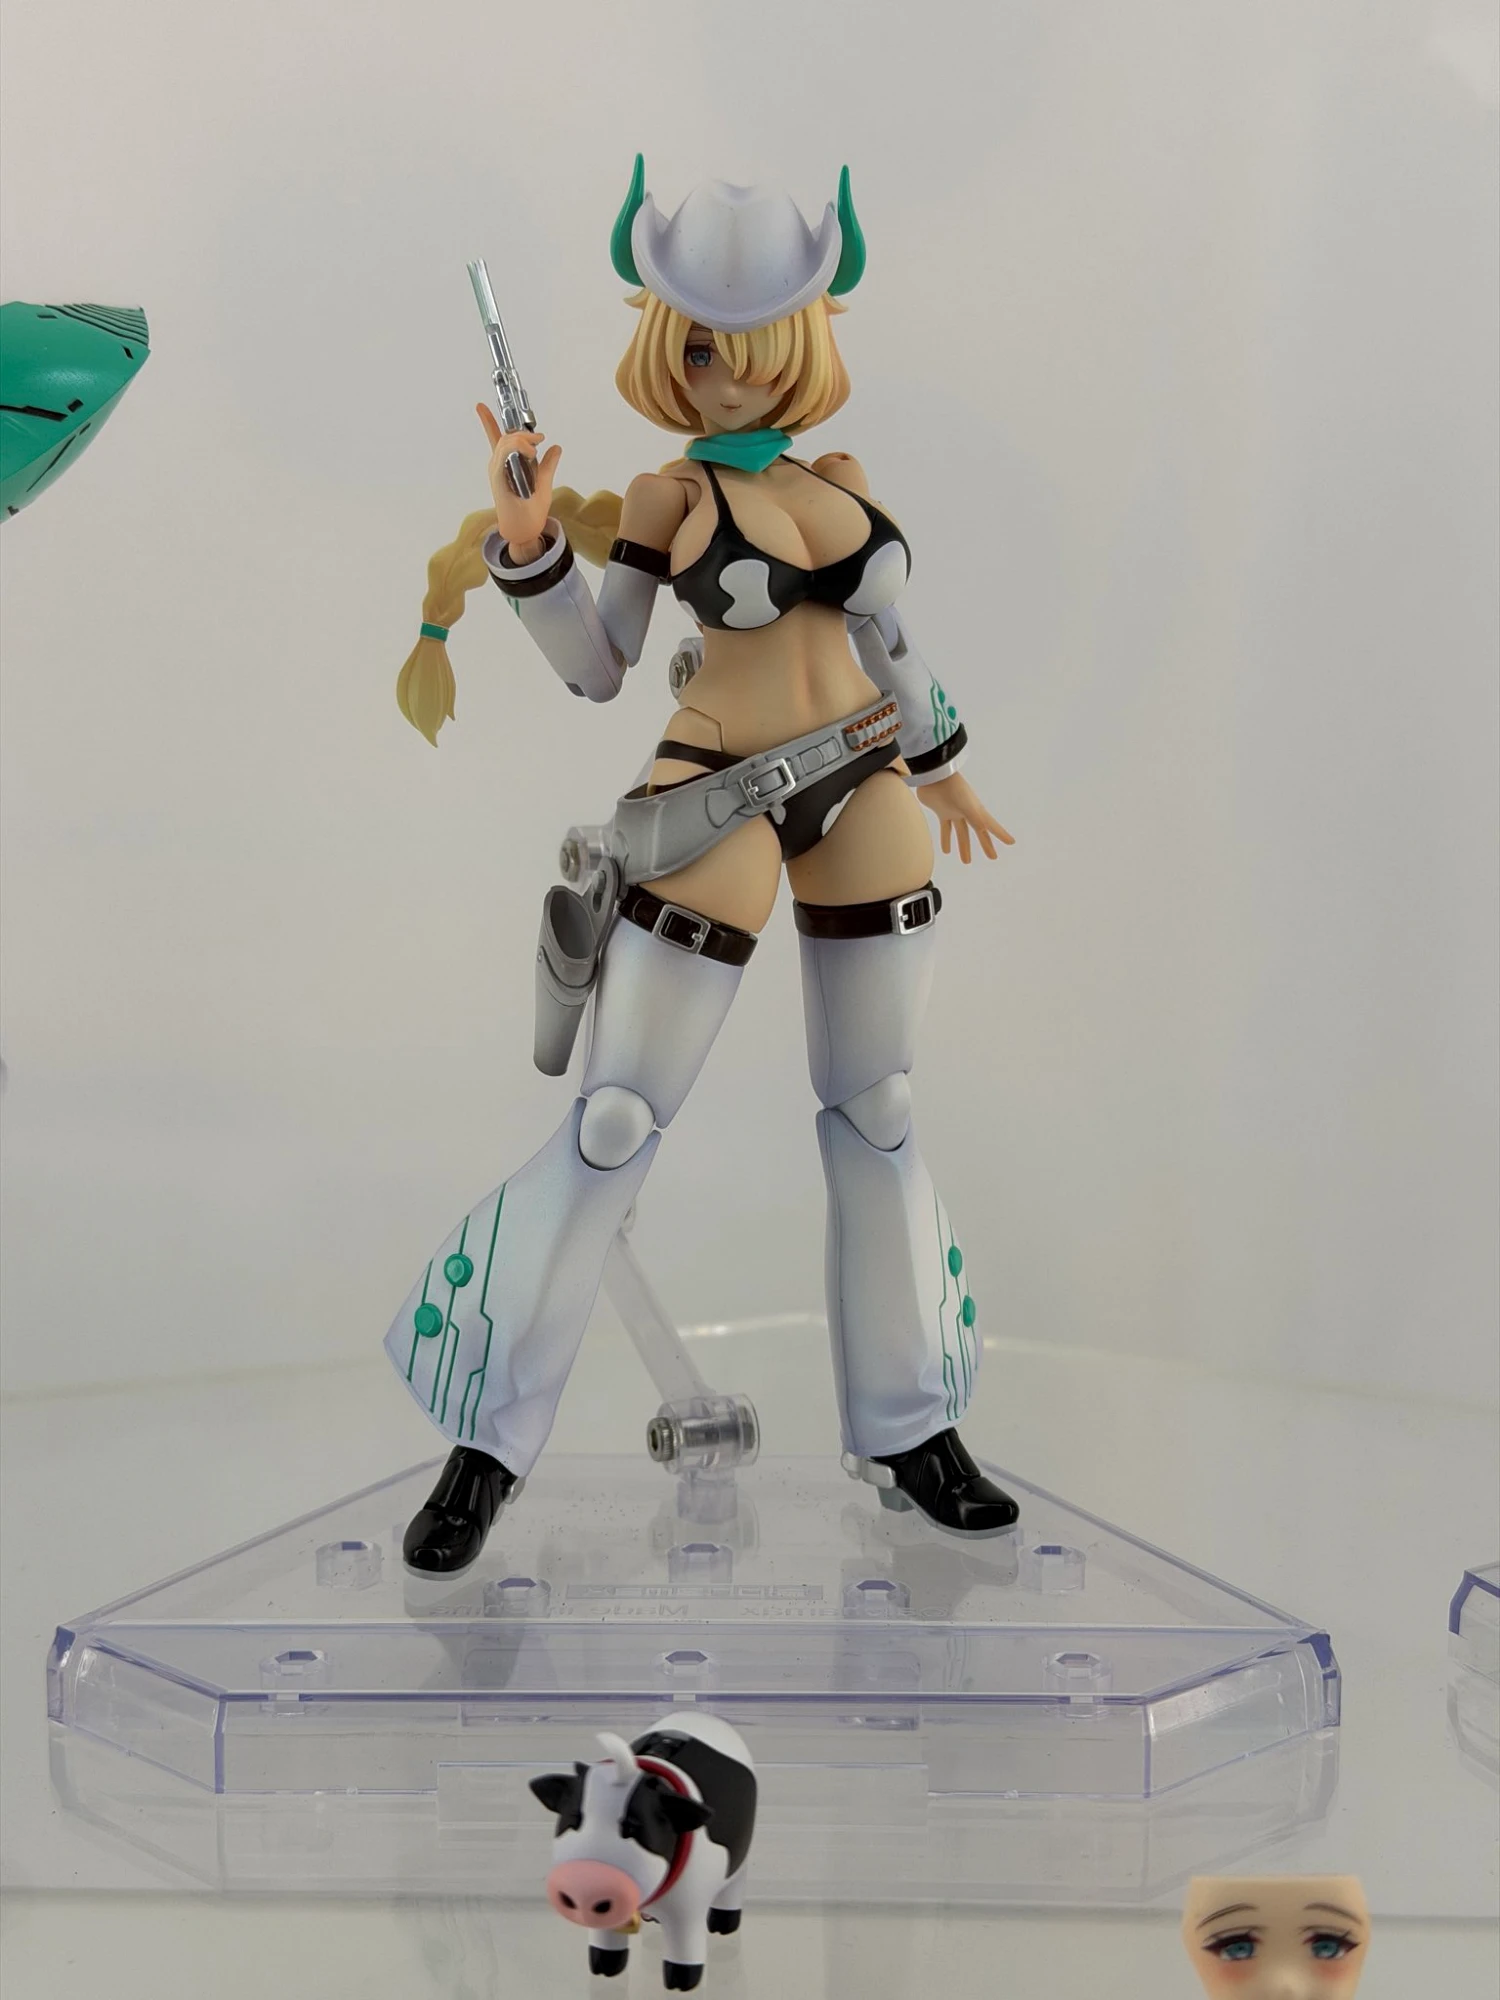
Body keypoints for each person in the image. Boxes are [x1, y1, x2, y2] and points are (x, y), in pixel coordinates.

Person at [388, 161, 1018, 1574]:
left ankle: (913, 1425)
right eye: (696, 341)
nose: (723, 366)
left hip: (867, 778)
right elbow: (599, 666)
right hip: (717, 794)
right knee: (617, 1119)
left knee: (882, 1109)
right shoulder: (668, 495)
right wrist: (529, 544)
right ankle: (489, 1443)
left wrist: (947, 765)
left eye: (749, 336)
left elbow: (894, 647)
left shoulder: (841, 483)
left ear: (802, 335)